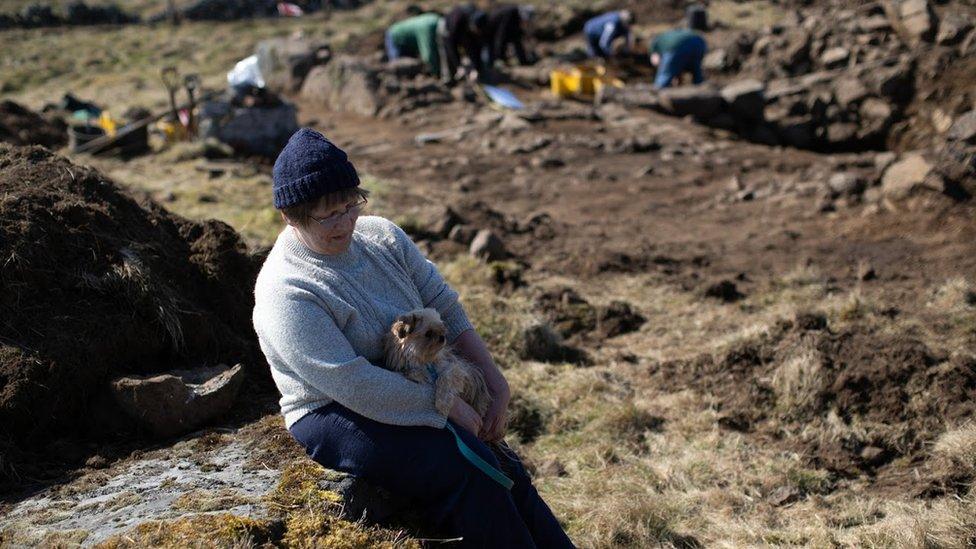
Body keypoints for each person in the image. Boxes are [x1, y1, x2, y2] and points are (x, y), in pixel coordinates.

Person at [253, 127, 576, 548]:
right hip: (333, 409)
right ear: (290, 216)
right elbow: (353, 383)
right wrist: (445, 406)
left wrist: (494, 380)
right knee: (464, 472)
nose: (346, 222)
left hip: (414, 382)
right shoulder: (287, 290)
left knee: (504, 465)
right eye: (327, 215)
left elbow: (444, 305)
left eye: (351, 205)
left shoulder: (381, 237)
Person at [385, 12, 444, 77]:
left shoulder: (437, 22)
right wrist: (436, 73)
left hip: (409, 41)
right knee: (397, 68)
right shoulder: (428, 28)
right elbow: (428, 54)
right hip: (395, 36)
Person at [440, 5, 489, 82]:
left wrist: (476, 69)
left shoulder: (482, 23)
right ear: (472, 24)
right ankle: (448, 80)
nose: (477, 33)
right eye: (476, 30)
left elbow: (476, 48)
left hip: (465, 30)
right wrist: (458, 66)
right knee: (446, 54)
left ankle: (477, 73)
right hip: (447, 28)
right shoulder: (457, 21)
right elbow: (450, 45)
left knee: (471, 47)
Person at [485, 4, 535, 69]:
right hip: (490, 29)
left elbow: (518, 37)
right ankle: (496, 62)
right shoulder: (510, 14)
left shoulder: (516, 15)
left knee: (516, 38)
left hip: (501, 29)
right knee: (493, 49)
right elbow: (501, 35)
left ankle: (523, 61)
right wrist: (500, 57)